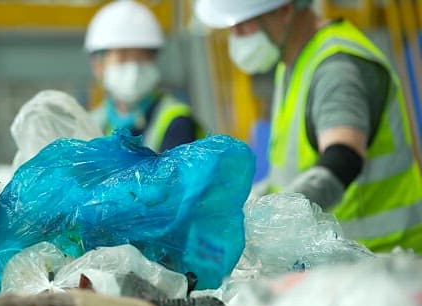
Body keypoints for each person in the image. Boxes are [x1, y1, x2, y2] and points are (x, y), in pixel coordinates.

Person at [195, 0, 422, 252]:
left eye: (243, 26)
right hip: (341, 261)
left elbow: (343, 159)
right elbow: (292, 170)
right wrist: (250, 202)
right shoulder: (294, 62)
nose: (235, 38)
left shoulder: (338, 68)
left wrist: (271, 219)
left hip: (383, 259)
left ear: (285, 10)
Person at [84, 0, 203, 153]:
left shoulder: (177, 121)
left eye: (142, 56)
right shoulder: (90, 123)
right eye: (123, 57)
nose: (133, 67)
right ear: (98, 65)